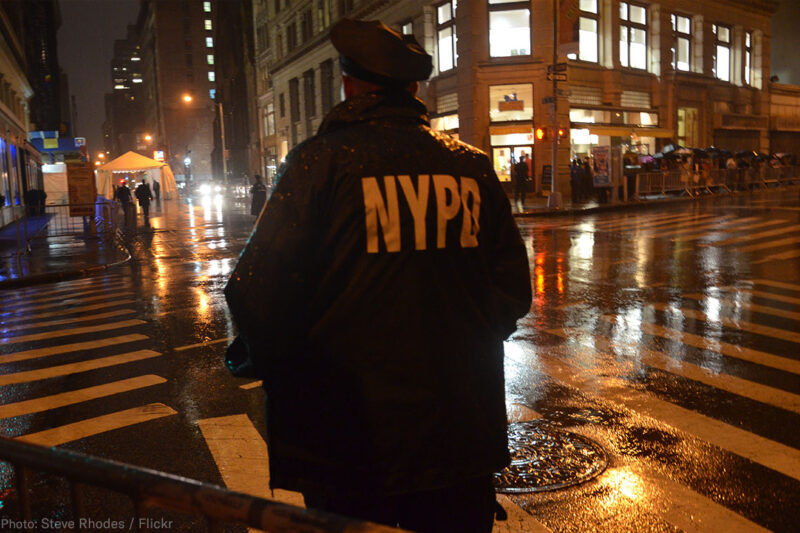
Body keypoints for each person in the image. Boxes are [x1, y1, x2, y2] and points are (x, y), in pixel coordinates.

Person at [224, 18, 531, 532]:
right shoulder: (472, 168)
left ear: (347, 84)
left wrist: (265, 362)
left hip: (351, 446)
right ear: (413, 89)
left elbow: (259, 292)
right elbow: (511, 290)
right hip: (460, 436)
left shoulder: (317, 164)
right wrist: (462, 345)